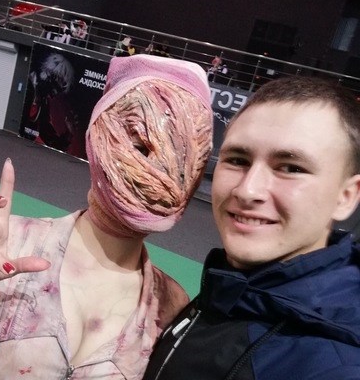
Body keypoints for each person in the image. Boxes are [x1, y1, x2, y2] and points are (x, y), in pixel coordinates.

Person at [0, 54, 213, 379]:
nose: (158, 168)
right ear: (97, 134)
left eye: (183, 158)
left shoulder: (170, 305)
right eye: (139, 143)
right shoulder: (8, 245)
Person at [143, 76, 360, 379]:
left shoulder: (337, 366)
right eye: (237, 160)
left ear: (345, 197)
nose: (247, 190)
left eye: (291, 168)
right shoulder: (240, 289)